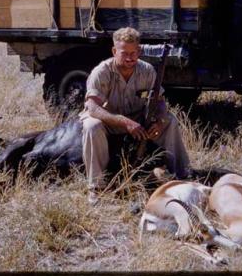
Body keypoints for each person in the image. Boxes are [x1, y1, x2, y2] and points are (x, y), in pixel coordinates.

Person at [79, 27, 190, 204]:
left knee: (170, 121)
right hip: (110, 120)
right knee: (91, 125)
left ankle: (183, 176)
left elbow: (159, 101)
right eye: (124, 53)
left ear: (139, 51)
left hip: (138, 120)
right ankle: (96, 187)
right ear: (115, 51)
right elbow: (92, 107)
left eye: (134, 52)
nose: (130, 57)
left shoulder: (147, 71)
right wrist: (123, 122)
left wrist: (159, 121)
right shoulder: (101, 72)